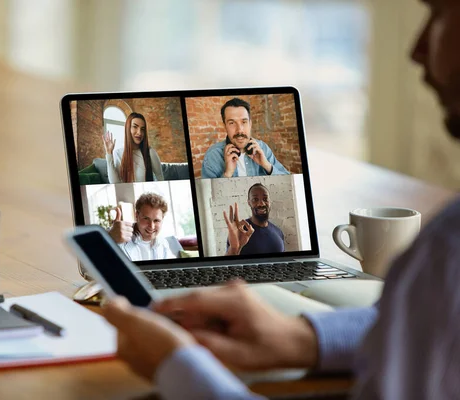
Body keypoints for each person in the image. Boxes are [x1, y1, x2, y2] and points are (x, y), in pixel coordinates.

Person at [101, 1, 460, 399]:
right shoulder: (216, 157)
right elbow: (431, 326)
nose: (416, 49)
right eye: (232, 123)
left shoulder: (447, 252)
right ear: (224, 127)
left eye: (440, 13)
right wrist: (302, 337)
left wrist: (180, 367)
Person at [201, 98, 290, 179]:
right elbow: (208, 195)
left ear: (250, 124)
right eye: (232, 123)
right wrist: (227, 174)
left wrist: (267, 165)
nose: (240, 130)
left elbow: (288, 181)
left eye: (244, 122)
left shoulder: (262, 148)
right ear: (225, 126)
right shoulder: (212, 156)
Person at [108, 192, 180, 261]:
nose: (151, 226)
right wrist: (109, 238)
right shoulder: (117, 235)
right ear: (136, 215)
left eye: (156, 220)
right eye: (146, 218)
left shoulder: (163, 243)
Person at [224, 183, 285, 256]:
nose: (261, 204)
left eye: (265, 199)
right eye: (255, 199)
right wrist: (234, 249)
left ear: (270, 202)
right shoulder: (240, 230)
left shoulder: (278, 232)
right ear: (249, 203)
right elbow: (229, 264)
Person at [103, 112, 164, 183]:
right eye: (135, 127)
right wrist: (109, 153)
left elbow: (160, 179)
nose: (139, 133)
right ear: (128, 129)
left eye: (142, 129)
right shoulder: (118, 153)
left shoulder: (150, 152)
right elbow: (115, 183)